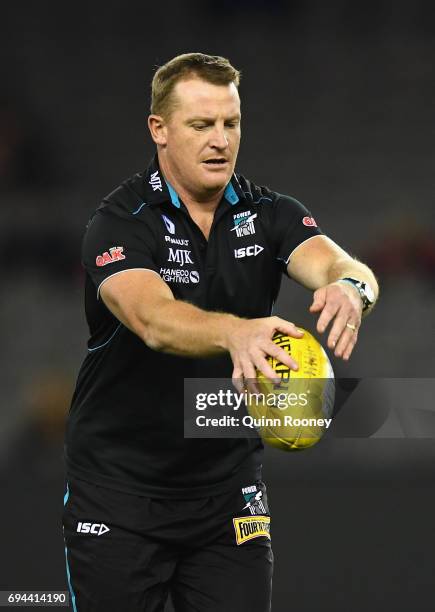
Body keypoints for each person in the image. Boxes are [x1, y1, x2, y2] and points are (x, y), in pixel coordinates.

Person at [62, 53, 378, 612]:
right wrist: (236, 334)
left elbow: (343, 265)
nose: (220, 141)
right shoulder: (119, 221)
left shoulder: (269, 213)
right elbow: (152, 319)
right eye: (201, 125)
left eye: (230, 124)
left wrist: (351, 288)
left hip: (228, 498)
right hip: (119, 496)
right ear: (159, 130)